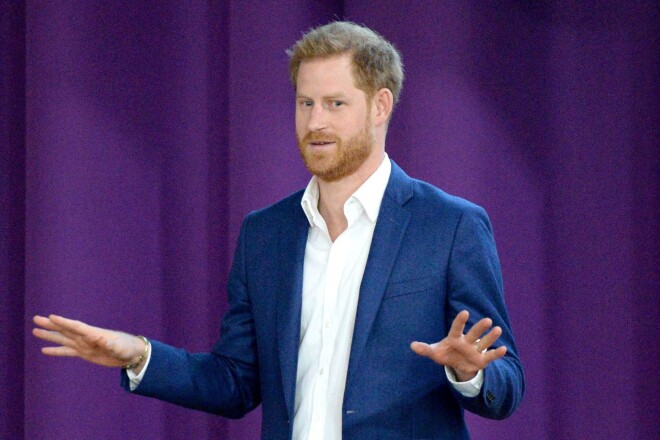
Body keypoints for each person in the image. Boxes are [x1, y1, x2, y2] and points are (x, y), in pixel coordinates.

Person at [33, 21, 524, 439]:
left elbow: (508, 383)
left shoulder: (451, 224)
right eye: (305, 103)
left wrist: (468, 374)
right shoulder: (265, 235)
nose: (315, 122)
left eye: (335, 104)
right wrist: (138, 354)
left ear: (380, 106)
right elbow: (235, 382)